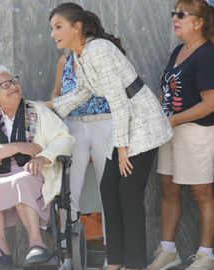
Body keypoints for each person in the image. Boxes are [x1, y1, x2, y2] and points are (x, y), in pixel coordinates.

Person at [47, 3, 173, 269]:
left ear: (76, 27)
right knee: (108, 189)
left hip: (142, 125)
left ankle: (134, 264)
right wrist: (46, 107)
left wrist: (122, 148)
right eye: (52, 28)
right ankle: (115, 262)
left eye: (58, 27)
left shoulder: (100, 50)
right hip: (125, 128)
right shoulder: (79, 55)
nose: (53, 33)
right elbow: (81, 93)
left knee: (128, 194)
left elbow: (118, 100)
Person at [0, 65, 74, 269]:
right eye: (6, 84)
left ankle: (37, 244)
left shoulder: (38, 110)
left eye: (15, 81)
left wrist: (43, 158)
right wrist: (17, 147)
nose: (13, 86)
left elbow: (65, 138)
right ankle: (1, 250)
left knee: (21, 179)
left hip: (33, 169)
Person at [147, 1, 214, 270]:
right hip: (170, 129)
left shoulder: (206, 55)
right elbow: (167, 91)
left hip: (195, 131)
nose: (174, 19)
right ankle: (168, 251)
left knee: (202, 191)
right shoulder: (179, 50)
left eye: (181, 14)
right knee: (168, 188)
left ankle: (206, 256)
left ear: (199, 22)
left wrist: (173, 120)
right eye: (174, 13)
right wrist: (155, 115)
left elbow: (210, 103)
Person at [51, 52, 113, 269]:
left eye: (59, 27)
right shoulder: (64, 61)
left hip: (104, 122)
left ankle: (111, 256)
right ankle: (68, 255)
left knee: (108, 192)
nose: (54, 34)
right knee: (68, 194)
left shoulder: (102, 56)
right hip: (73, 125)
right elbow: (57, 94)